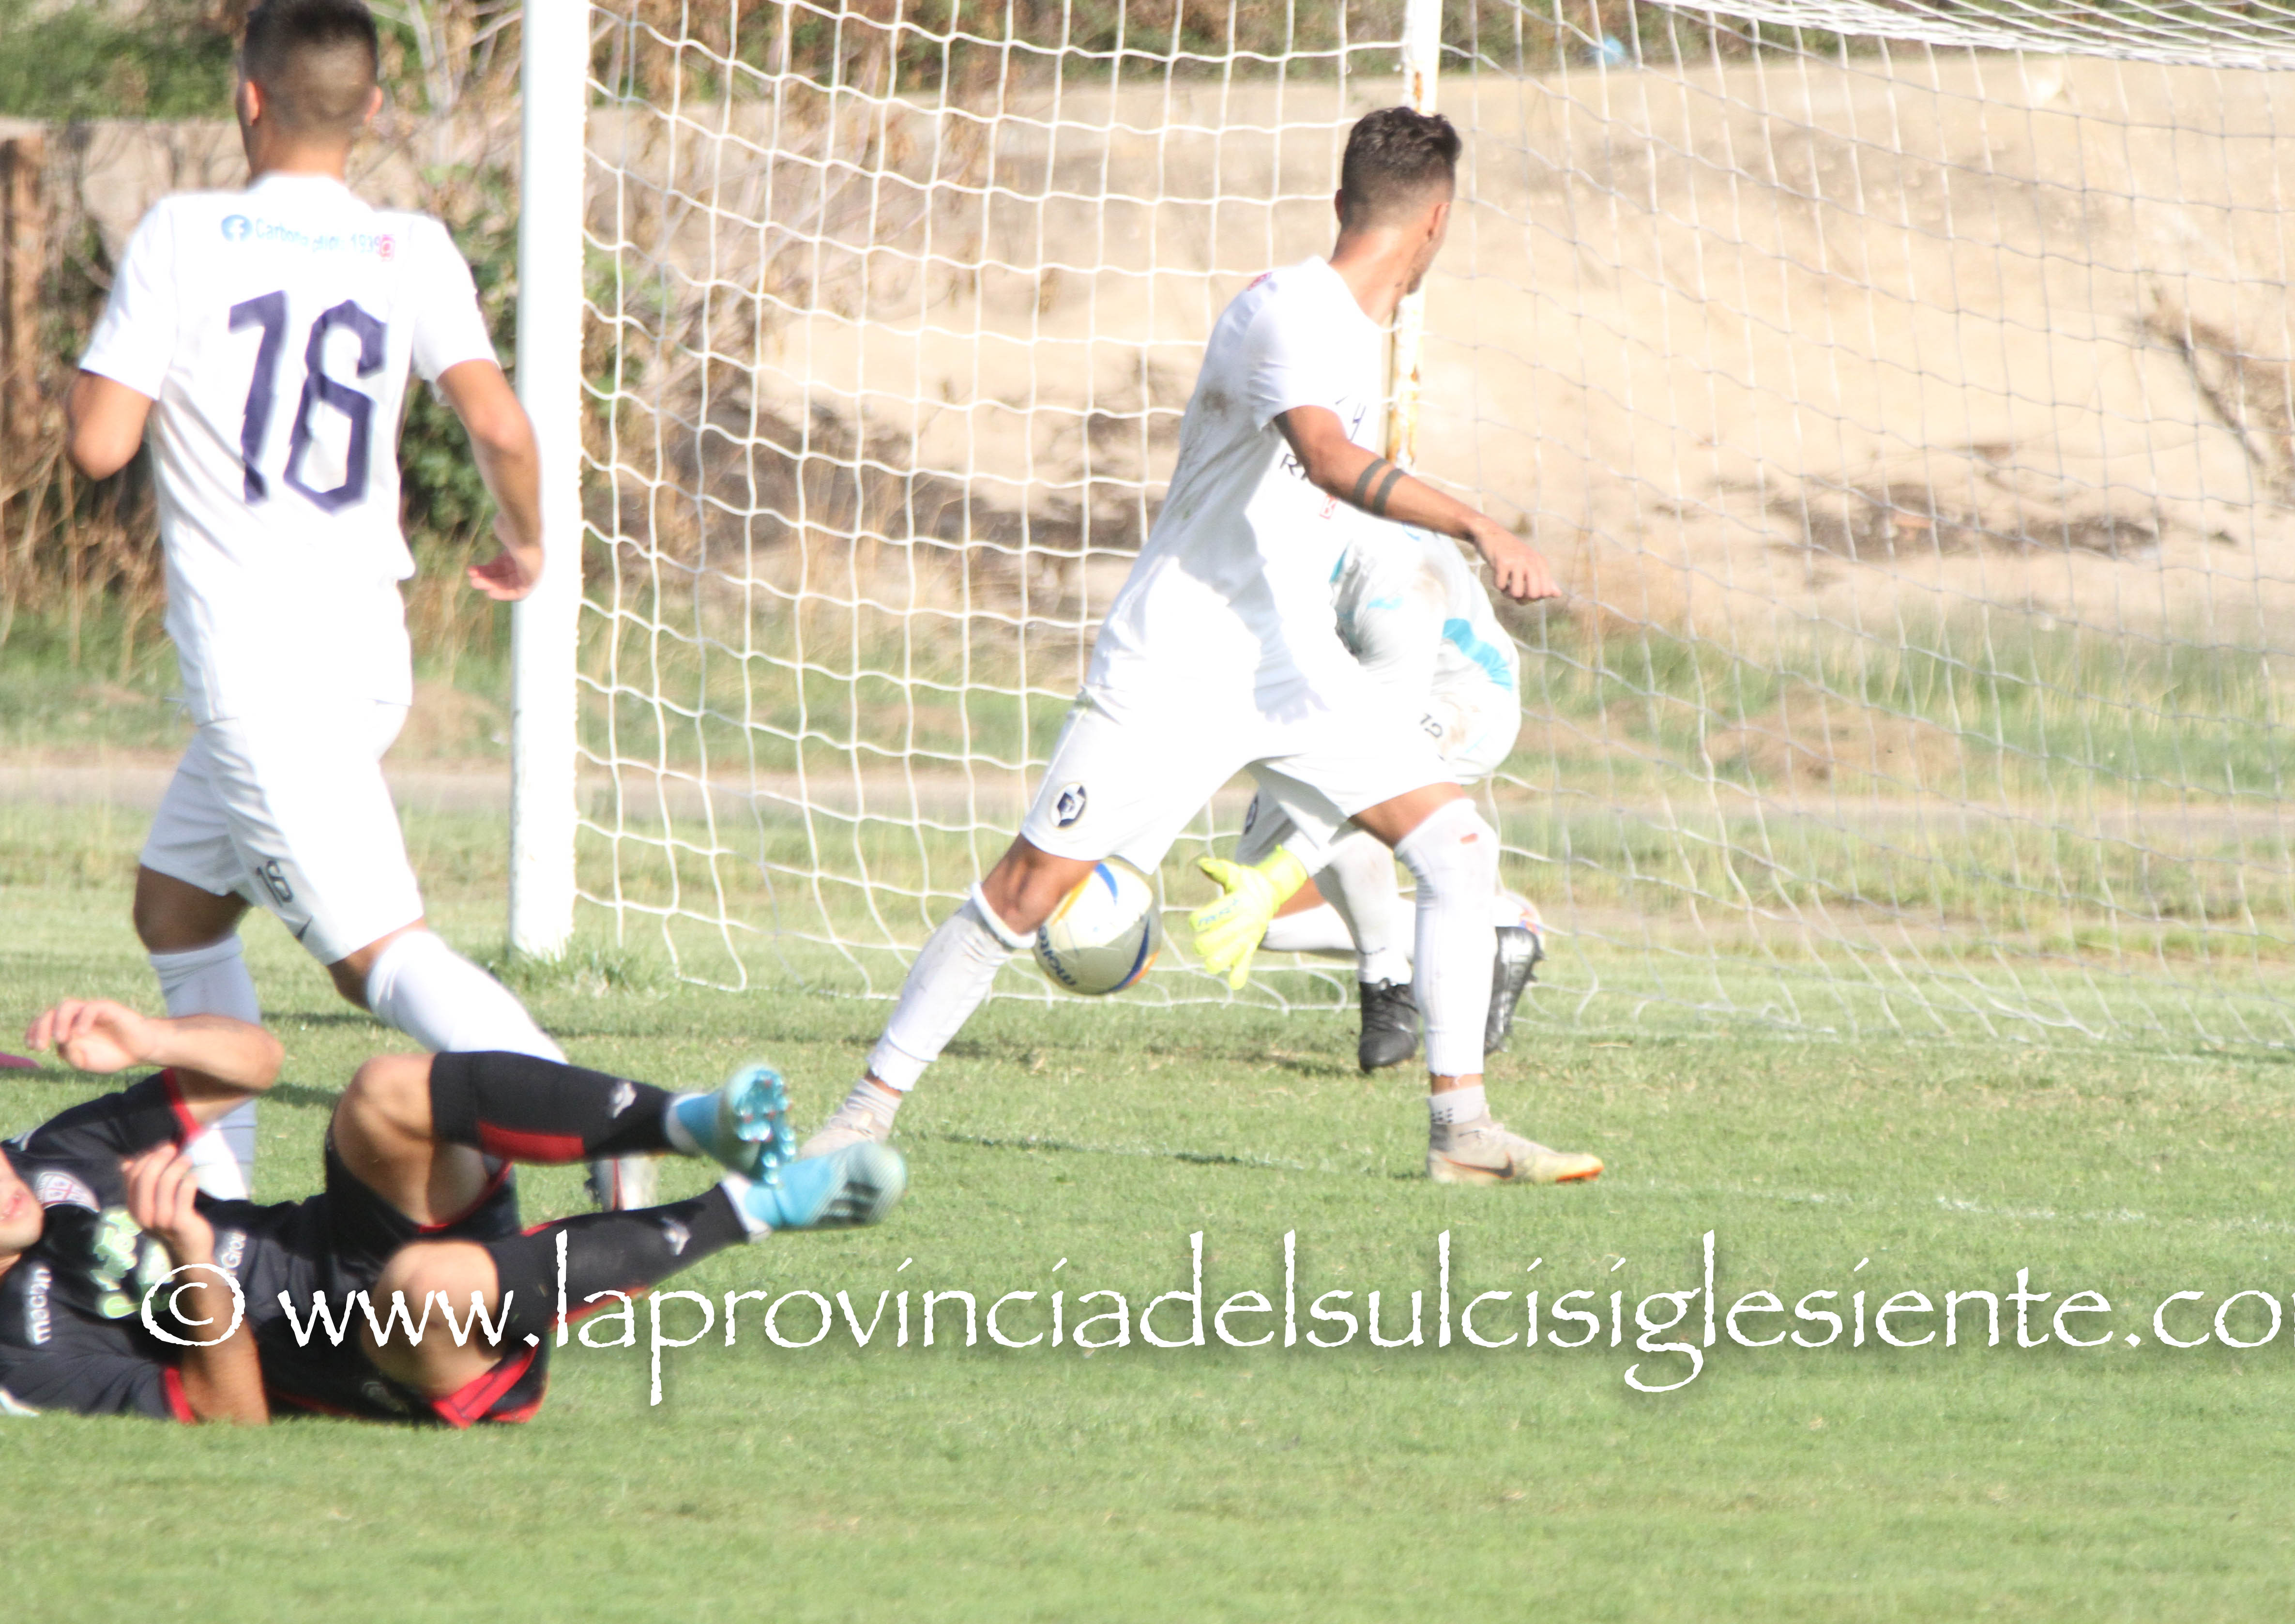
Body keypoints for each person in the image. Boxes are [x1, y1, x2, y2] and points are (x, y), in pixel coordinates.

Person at [799, 107, 1601, 1186]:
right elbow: (1325, 458)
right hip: (1177, 657)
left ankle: (1462, 1131)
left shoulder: (1350, 333)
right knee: (1027, 889)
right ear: (1438, 224)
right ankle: (860, 1116)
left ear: (1342, 202)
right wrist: (1479, 525)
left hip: (1291, 659)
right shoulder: (1286, 313)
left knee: (1457, 850)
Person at [59, 1, 646, 1204]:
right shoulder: (408, 248)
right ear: (372, 109)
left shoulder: (182, 234)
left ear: (247, 95)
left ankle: (602, 1126)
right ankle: (217, 1211)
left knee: (376, 957)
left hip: (258, 671)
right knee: (176, 911)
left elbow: (99, 444)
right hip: (364, 651)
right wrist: (528, 541)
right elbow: (500, 425)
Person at [0, 998, 902, 1425]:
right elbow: (228, 1418)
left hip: (346, 1233)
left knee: (381, 1089)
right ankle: (754, 1206)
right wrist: (194, 1258)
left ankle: (691, 1122)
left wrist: (152, 1039)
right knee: (421, 1286)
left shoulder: (48, 1159)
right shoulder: (22, 1359)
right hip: (374, 1353)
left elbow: (257, 1062)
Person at [1205, 514, 1546, 1071]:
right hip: (1346, 706)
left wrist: (1281, 874)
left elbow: (1376, 762)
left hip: (1464, 701)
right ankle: (1498, 934)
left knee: (1351, 797)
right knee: (1271, 922)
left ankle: (1385, 981)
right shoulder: (1255, 538)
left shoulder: (1397, 579)